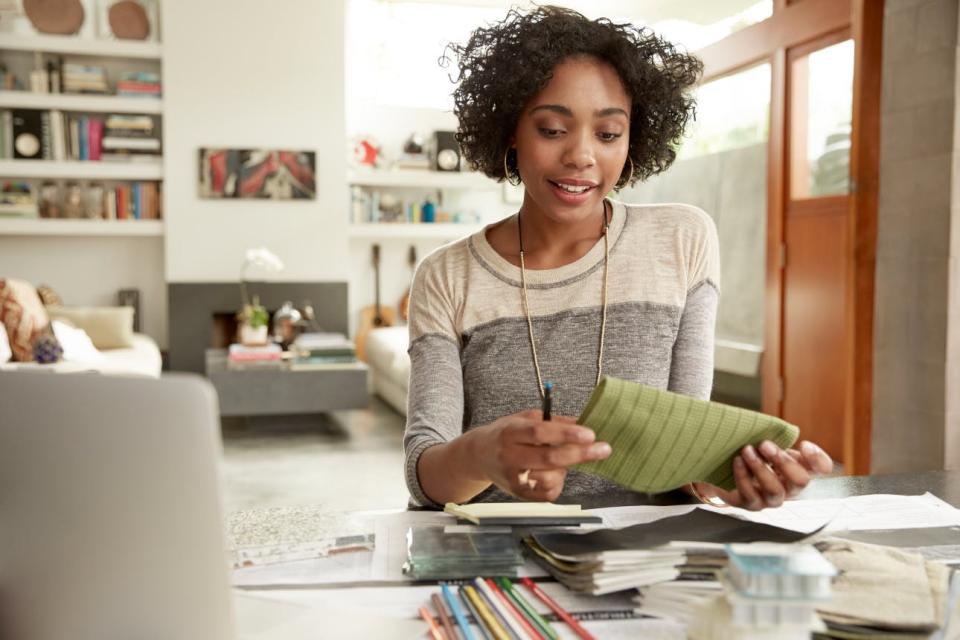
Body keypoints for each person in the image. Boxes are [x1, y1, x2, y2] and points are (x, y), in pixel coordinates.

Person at [403, 5, 833, 511]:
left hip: (645, 562)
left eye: (607, 134)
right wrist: (482, 454)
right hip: (497, 556)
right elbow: (425, 475)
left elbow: (686, 455)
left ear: (632, 141)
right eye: (551, 129)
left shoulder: (681, 238)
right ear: (510, 133)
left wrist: (735, 486)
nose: (582, 156)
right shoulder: (447, 276)